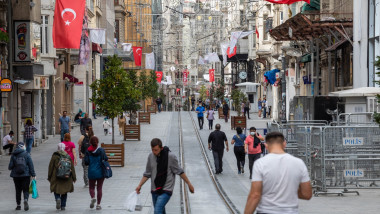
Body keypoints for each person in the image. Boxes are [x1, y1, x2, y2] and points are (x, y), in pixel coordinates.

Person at [244, 132, 312, 214]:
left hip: (266, 211)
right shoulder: (299, 163)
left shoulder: (260, 163)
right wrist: (290, 189)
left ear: (266, 145)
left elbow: (255, 195)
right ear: (284, 144)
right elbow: (307, 194)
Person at [135, 138, 194, 214]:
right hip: (155, 189)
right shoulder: (150, 156)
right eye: (152, 149)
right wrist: (139, 185)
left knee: (157, 210)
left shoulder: (170, 157)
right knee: (161, 211)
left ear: (161, 148)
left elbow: (180, 172)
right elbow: (147, 173)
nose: (154, 152)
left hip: (166, 189)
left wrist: (189, 184)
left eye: (156, 150)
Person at [48, 143, 77, 211]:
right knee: (65, 191)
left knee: (56, 189)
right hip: (66, 176)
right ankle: (63, 205)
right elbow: (72, 167)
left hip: (56, 176)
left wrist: (49, 176)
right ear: (64, 148)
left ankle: (57, 198)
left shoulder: (55, 156)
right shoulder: (68, 156)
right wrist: (74, 177)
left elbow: (50, 167)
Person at [8, 142, 36, 211]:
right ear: (23, 146)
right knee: (25, 189)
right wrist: (33, 174)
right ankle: (25, 199)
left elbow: (10, 167)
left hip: (16, 176)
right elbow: (31, 165)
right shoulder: (27, 154)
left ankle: (18, 205)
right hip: (26, 175)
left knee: (18, 190)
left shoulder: (13, 155)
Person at [85, 136, 109, 210]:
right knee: (99, 188)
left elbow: (86, 162)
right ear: (97, 142)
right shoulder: (101, 150)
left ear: (90, 143)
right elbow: (106, 158)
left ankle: (92, 197)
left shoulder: (88, 151)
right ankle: (98, 204)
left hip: (91, 171)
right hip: (100, 171)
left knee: (91, 187)